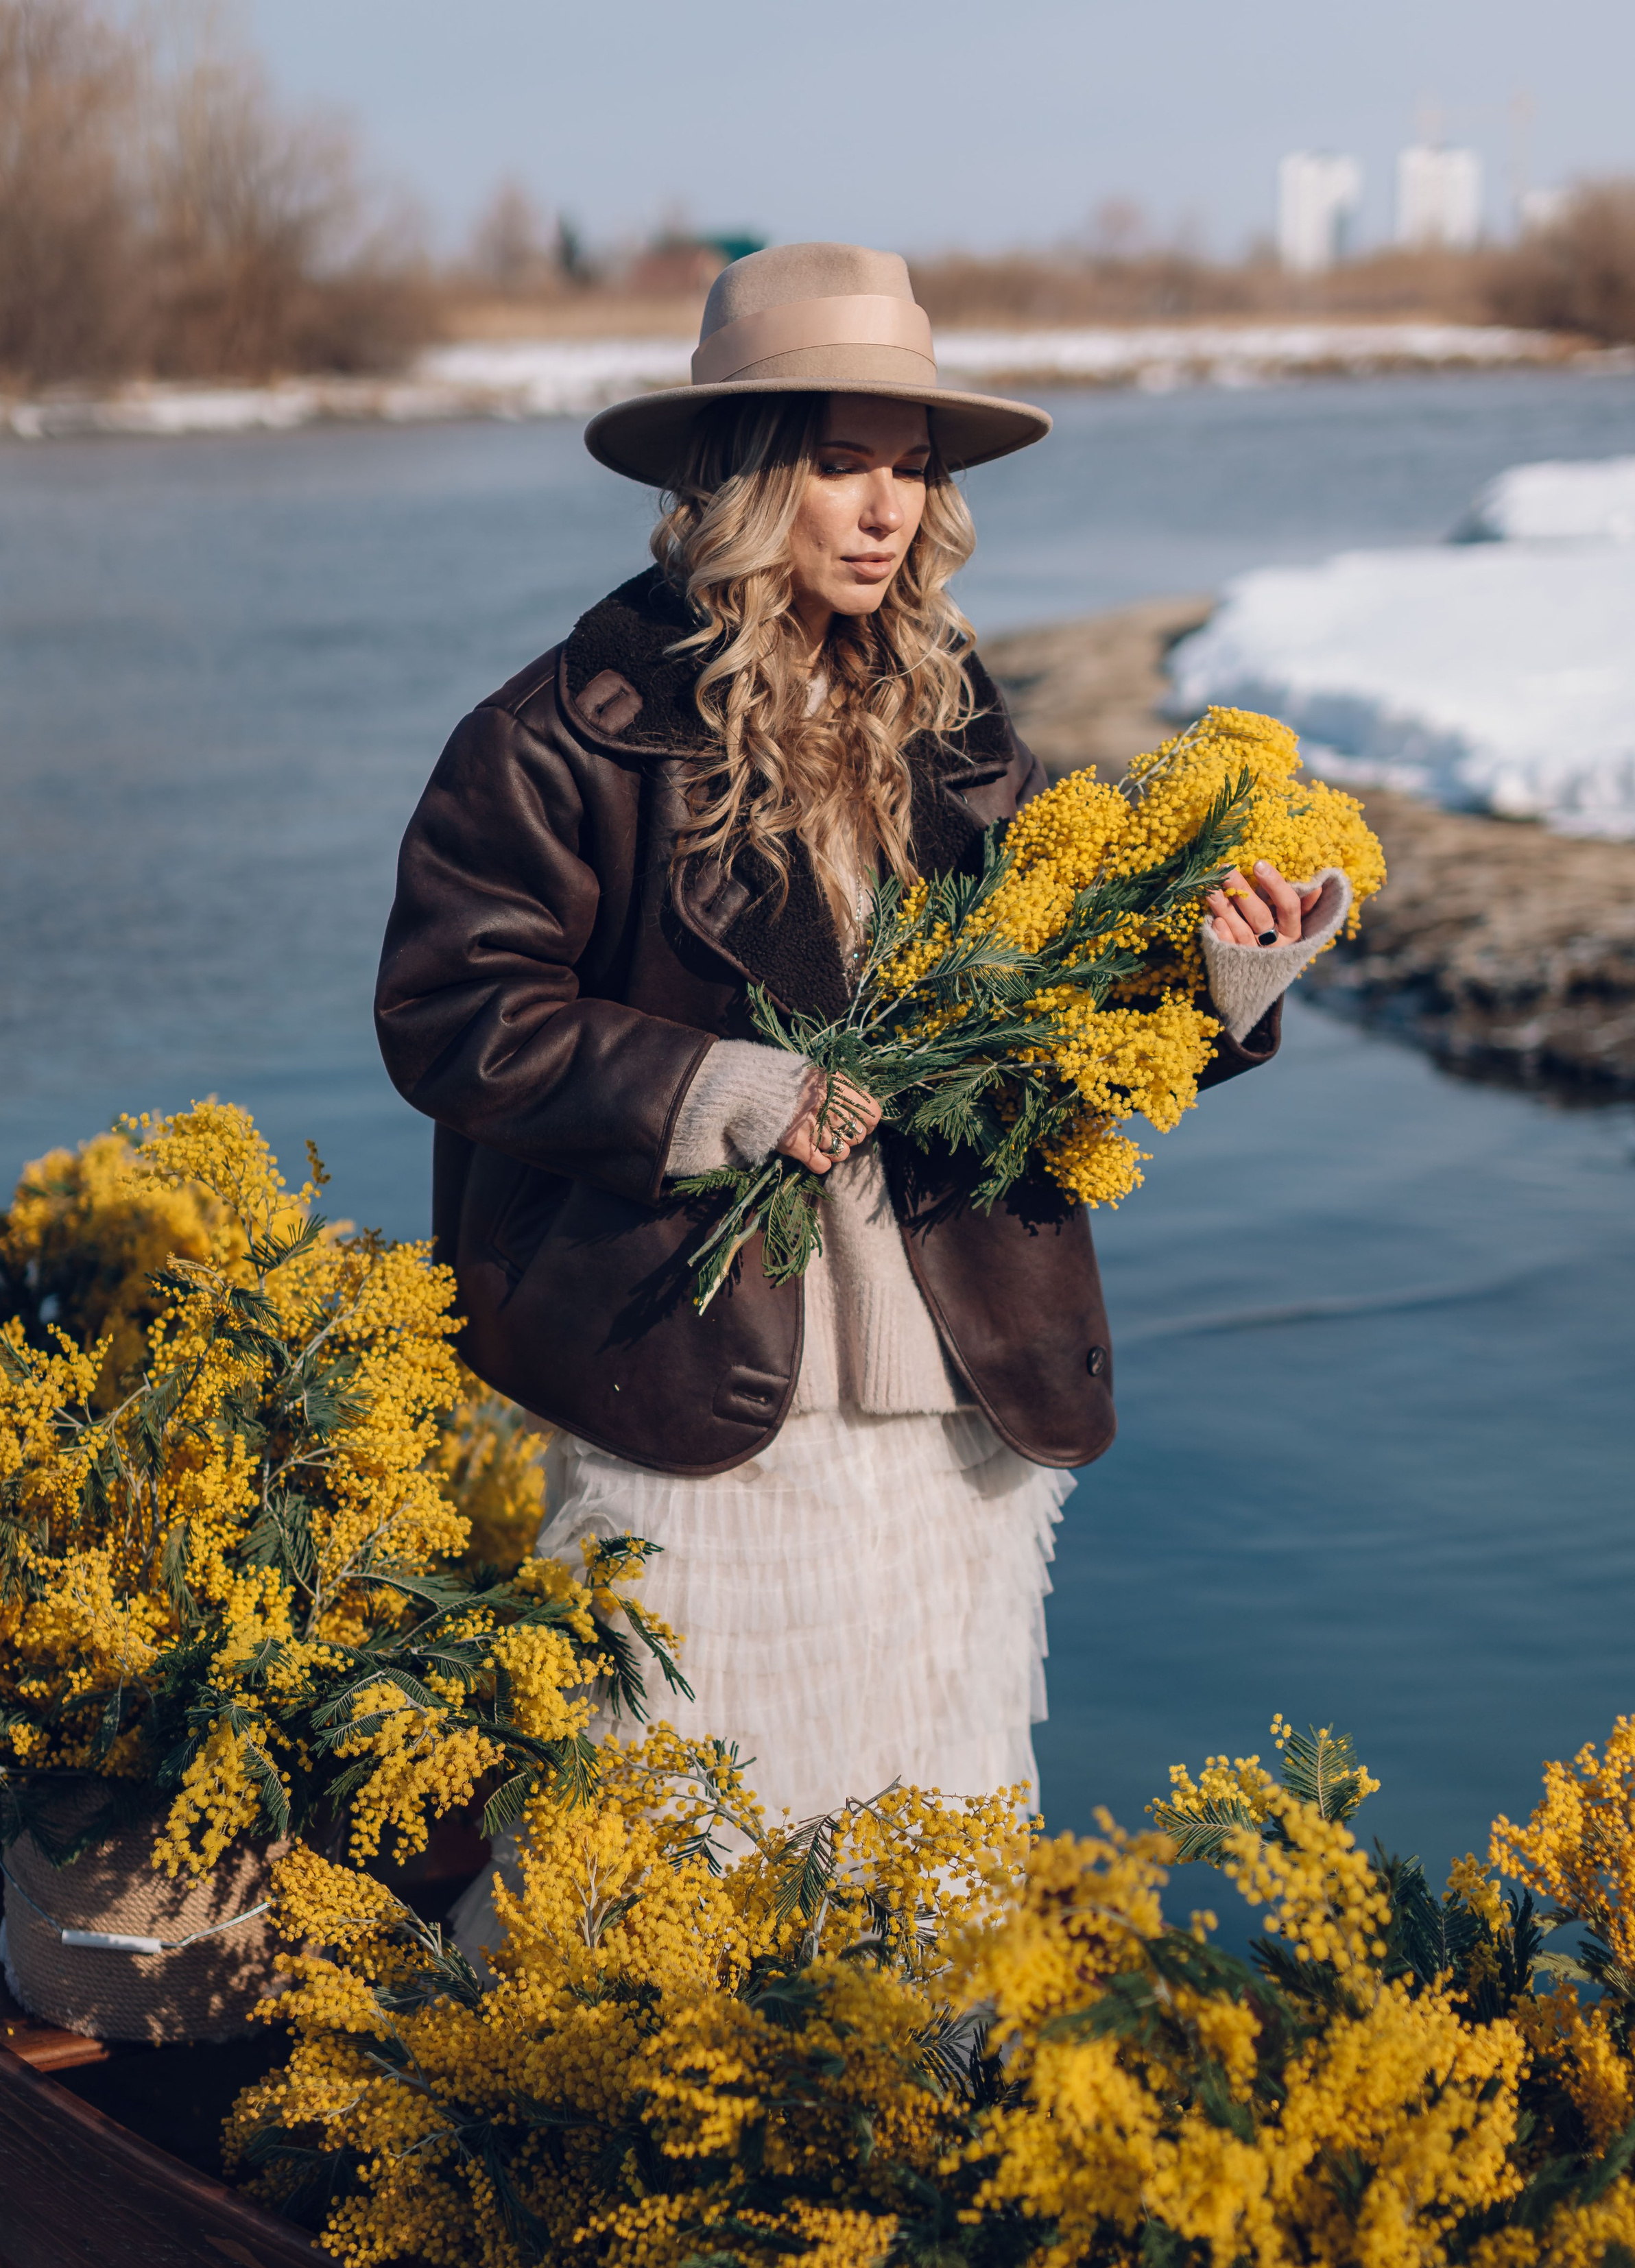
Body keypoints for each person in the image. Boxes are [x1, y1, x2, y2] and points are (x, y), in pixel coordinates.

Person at [374, 243, 1350, 1839]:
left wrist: (1220, 979)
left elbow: (1045, 1009)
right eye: (841, 466)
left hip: (962, 1383)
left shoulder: (953, 718)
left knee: (932, 1828)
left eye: (909, 469)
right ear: (745, 480)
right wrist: (721, 1093)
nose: (888, 509)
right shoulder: (559, 733)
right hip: (692, 1391)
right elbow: (452, 1012)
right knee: (686, 1827)